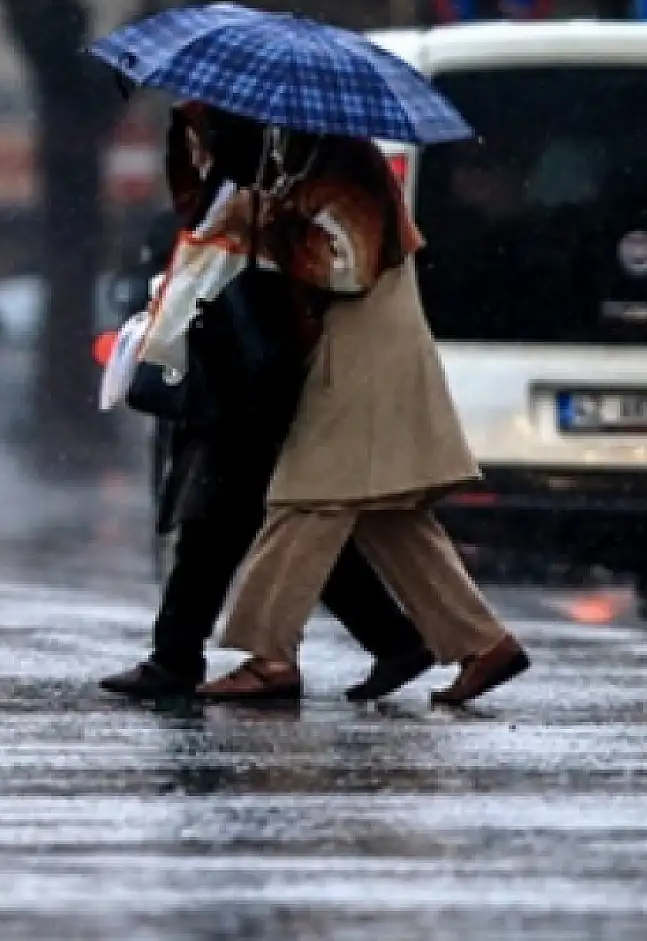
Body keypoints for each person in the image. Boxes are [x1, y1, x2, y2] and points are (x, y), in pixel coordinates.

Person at [102, 105, 433, 702]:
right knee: (252, 520)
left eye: (206, 121)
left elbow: (345, 264)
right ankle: (388, 638)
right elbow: (196, 221)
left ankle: (182, 655)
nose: (201, 133)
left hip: (261, 365)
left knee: (229, 519)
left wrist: (272, 225)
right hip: (226, 358)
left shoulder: (323, 165)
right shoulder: (250, 170)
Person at [198, 128, 529, 706]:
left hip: (364, 352)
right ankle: (483, 643)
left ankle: (268, 656)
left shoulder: (348, 166)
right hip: (359, 347)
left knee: (307, 497)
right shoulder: (311, 161)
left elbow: (348, 269)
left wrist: (263, 223)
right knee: (387, 512)